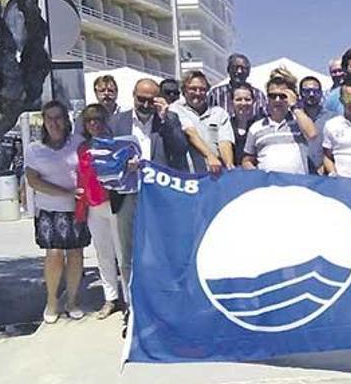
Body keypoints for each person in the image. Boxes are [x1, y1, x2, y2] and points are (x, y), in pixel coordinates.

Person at [107, 78, 188, 309]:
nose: (145, 104)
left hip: (158, 195)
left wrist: (166, 120)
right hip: (127, 194)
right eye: (140, 99)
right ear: (133, 96)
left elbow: (180, 151)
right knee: (128, 254)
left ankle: (162, 305)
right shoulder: (116, 122)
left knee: (161, 252)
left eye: (150, 100)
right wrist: (124, 163)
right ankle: (133, 308)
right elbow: (105, 157)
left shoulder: (168, 119)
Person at [25, 101, 90, 324]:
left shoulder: (78, 143)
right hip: (48, 211)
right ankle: (52, 302)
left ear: (66, 120)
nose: (54, 122)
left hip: (76, 210)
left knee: (75, 254)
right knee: (53, 255)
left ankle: (72, 301)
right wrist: (66, 192)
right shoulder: (34, 149)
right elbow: (33, 180)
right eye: (49, 118)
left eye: (58, 117)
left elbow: (88, 170)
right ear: (43, 121)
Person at [75, 104, 122, 320]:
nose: (94, 124)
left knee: (122, 255)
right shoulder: (82, 148)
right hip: (93, 206)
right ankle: (110, 298)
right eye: (89, 120)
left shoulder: (115, 144)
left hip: (113, 204)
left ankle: (130, 300)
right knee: (103, 255)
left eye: (98, 120)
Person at [242, 77, 317, 173]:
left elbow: (312, 134)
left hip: (297, 185)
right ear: (267, 98)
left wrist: (294, 106)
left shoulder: (299, 122)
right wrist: (255, 172)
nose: (277, 100)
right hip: (268, 185)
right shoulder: (256, 127)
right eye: (272, 96)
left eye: (282, 96)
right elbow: (247, 159)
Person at [172, 71, 236, 173]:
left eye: (202, 90)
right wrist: (210, 156)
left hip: (215, 173)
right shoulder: (175, 109)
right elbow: (191, 133)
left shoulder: (219, 113)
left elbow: (225, 142)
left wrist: (229, 165)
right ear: (184, 91)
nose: (198, 93)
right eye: (193, 89)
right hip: (188, 175)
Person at [207, 53, 268, 118]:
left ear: (248, 72)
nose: (239, 71)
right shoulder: (216, 94)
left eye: (243, 68)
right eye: (235, 67)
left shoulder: (259, 95)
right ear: (228, 70)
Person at [300, 76, 335, 174]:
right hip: (301, 173)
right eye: (307, 91)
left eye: (315, 91)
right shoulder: (295, 118)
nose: (311, 94)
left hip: (325, 173)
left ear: (321, 93)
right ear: (300, 93)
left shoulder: (332, 118)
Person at [231, 83, 257, 166]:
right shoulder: (226, 125)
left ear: (254, 101)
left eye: (247, 99)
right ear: (232, 102)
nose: (243, 103)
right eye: (238, 99)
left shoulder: (260, 125)